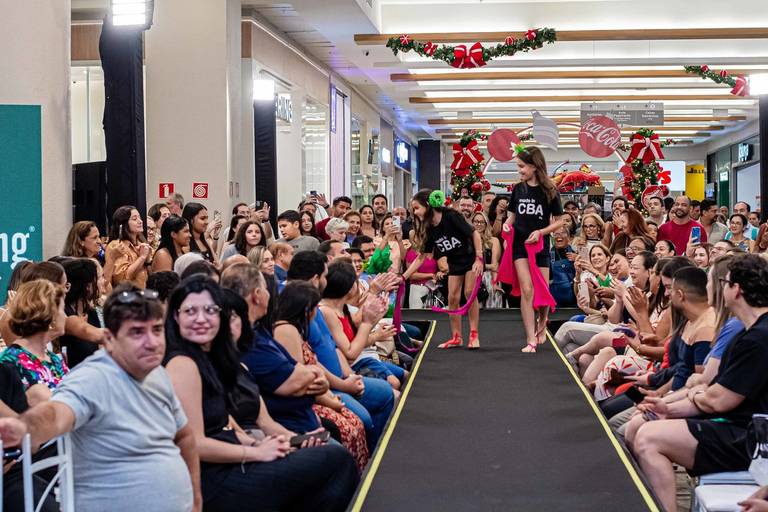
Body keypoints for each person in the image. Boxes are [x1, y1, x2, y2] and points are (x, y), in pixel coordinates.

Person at [0, 284, 201, 512]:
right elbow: (56, 414)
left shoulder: (156, 374)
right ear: (109, 338)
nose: (152, 342)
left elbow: (185, 436)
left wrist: (195, 499)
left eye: (156, 330)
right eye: (137, 332)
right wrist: (25, 428)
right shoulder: (92, 377)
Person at [165, 275, 359, 510]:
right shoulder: (183, 364)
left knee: (328, 456)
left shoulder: (209, 360)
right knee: (336, 460)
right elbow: (194, 443)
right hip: (217, 477)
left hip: (236, 459)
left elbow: (229, 425)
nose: (201, 319)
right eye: (190, 311)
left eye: (210, 310)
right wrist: (255, 452)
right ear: (175, 317)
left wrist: (278, 443)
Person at [628, 254, 768, 512]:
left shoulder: (758, 338)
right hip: (741, 426)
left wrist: (686, 400)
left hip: (752, 438)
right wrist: (668, 407)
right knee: (647, 427)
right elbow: (712, 391)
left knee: (649, 438)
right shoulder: (749, 332)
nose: (712, 288)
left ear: (736, 289)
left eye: (720, 282)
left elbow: (718, 400)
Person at [273, 281, 370, 470]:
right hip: (311, 400)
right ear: (305, 309)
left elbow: (314, 365)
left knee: (357, 423)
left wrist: (340, 388)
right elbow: (302, 379)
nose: (316, 313)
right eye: (314, 308)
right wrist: (331, 400)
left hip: (323, 392)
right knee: (351, 427)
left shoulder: (297, 330)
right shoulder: (286, 330)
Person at [404, 189, 484, 349]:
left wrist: (479, 258)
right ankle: (456, 337)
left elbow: (474, 234)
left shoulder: (450, 216)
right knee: (452, 298)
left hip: (470, 257)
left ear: (428, 205)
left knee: (469, 292)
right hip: (455, 261)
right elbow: (421, 257)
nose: (415, 212)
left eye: (417, 208)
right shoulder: (429, 227)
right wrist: (404, 277)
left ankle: (474, 334)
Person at [504, 146, 565, 352]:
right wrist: (507, 226)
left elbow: (560, 221)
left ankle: (542, 321)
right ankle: (530, 338)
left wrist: (541, 232)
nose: (519, 170)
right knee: (527, 289)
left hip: (540, 245)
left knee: (543, 290)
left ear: (534, 166)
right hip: (520, 245)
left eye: (522, 166)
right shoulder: (518, 189)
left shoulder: (550, 190)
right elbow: (512, 217)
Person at [0, 279, 68, 407]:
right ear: (51, 315)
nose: (65, 317)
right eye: (62, 310)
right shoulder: (9, 362)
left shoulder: (54, 360)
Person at [60, 258, 105, 368]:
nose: (104, 281)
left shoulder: (92, 313)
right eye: (100, 277)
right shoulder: (64, 313)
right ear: (87, 286)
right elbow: (94, 334)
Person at [104, 205, 152, 288]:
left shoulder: (142, 244)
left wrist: (148, 261)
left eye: (140, 218)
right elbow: (122, 279)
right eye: (134, 219)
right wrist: (142, 257)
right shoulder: (117, 245)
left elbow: (152, 276)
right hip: (127, 294)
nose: (140, 221)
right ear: (123, 224)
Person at [472, 211, 502, 308]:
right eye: (476, 221)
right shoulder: (468, 241)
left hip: (489, 278)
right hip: (472, 278)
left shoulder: (494, 241)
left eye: (482, 222)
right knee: (475, 310)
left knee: (492, 310)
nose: (479, 224)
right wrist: (488, 266)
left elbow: (495, 265)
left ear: (486, 224)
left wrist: (495, 282)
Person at [549, 226, 577, 308]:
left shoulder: (576, 252)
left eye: (562, 233)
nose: (559, 236)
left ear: (569, 237)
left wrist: (578, 258)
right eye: (556, 234)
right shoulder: (548, 255)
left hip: (574, 299)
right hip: (555, 301)